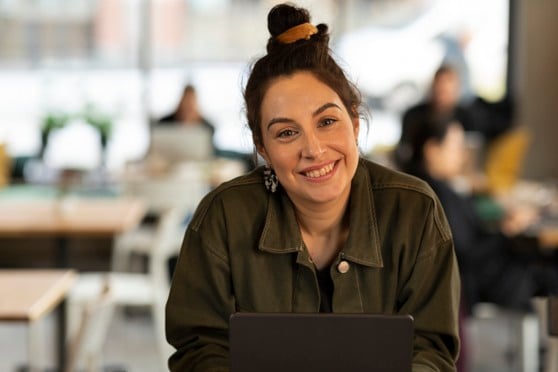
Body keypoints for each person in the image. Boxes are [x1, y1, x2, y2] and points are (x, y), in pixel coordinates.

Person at [166, 3, 460, 371]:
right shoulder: (223, 218)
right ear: (263, 149)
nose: (314, 150)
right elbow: (198, 348)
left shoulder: (415, 212)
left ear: (354, 123)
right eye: (287, 132)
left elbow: (431, 349)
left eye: (327, 121)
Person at [394, 113, 558, 314]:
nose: (462, 155)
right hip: (478, 281)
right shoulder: (433, 196)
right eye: (456, 147)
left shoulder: (437, 188)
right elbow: (465, 252)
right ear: (432, 150)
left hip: (484, 271)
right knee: (547, 272)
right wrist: (506, 230)